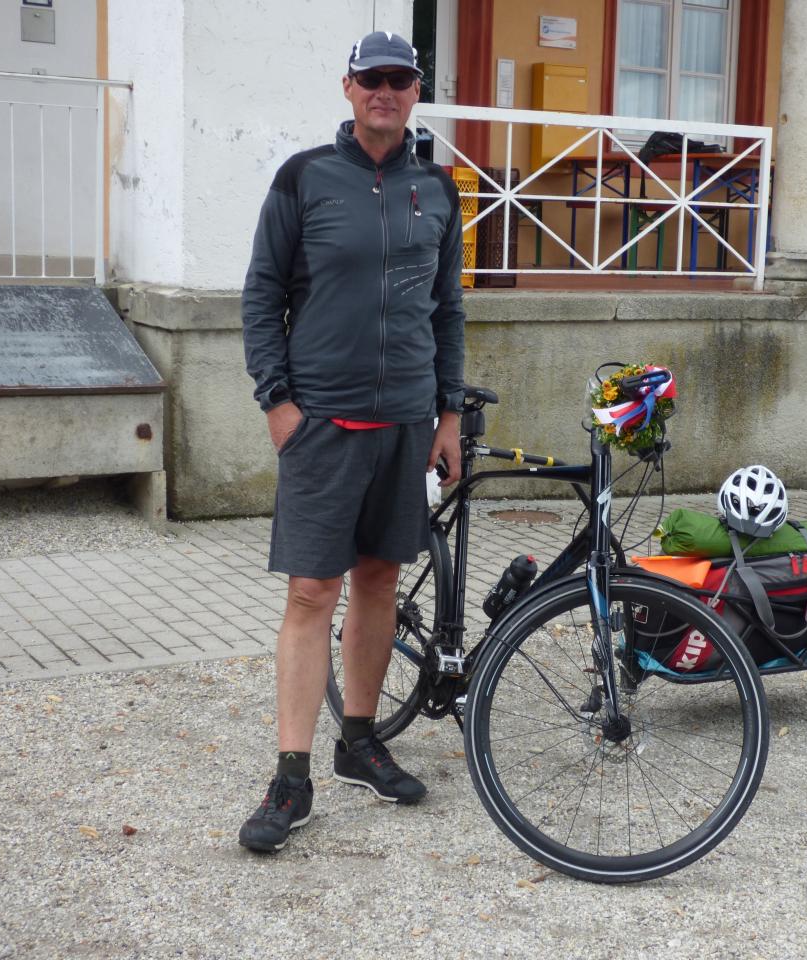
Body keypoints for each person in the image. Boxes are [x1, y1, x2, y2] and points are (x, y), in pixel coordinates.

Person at [237, 30, 465, 853]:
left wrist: (446, 417)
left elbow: (447, 311)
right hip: (323, 424)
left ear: (414, 92)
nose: (386, 91)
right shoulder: (304, 178)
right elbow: (262, 293)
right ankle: (290, 779)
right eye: (373, 78)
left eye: (400, 80)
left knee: (379, 578)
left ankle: (359, 742)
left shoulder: (438, 190)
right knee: (310, 594)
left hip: (406, 422)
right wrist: (278, 404)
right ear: (348, 87)